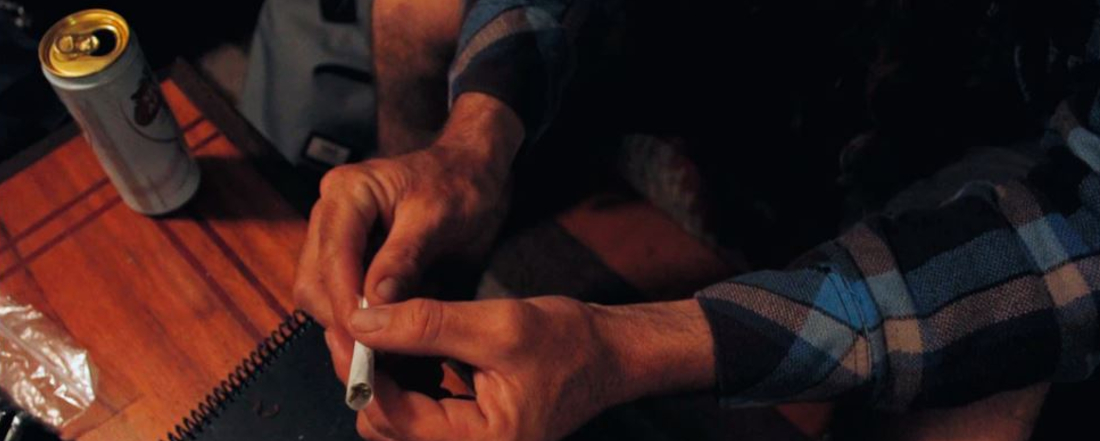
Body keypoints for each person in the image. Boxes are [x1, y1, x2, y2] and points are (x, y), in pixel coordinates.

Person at [292, 1, 1100, 440]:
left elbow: (1078, 233)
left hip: (998, 113)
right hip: (776, 36)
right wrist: (474, 138)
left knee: (982, 406)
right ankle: (433, 328)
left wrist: (624, 347)